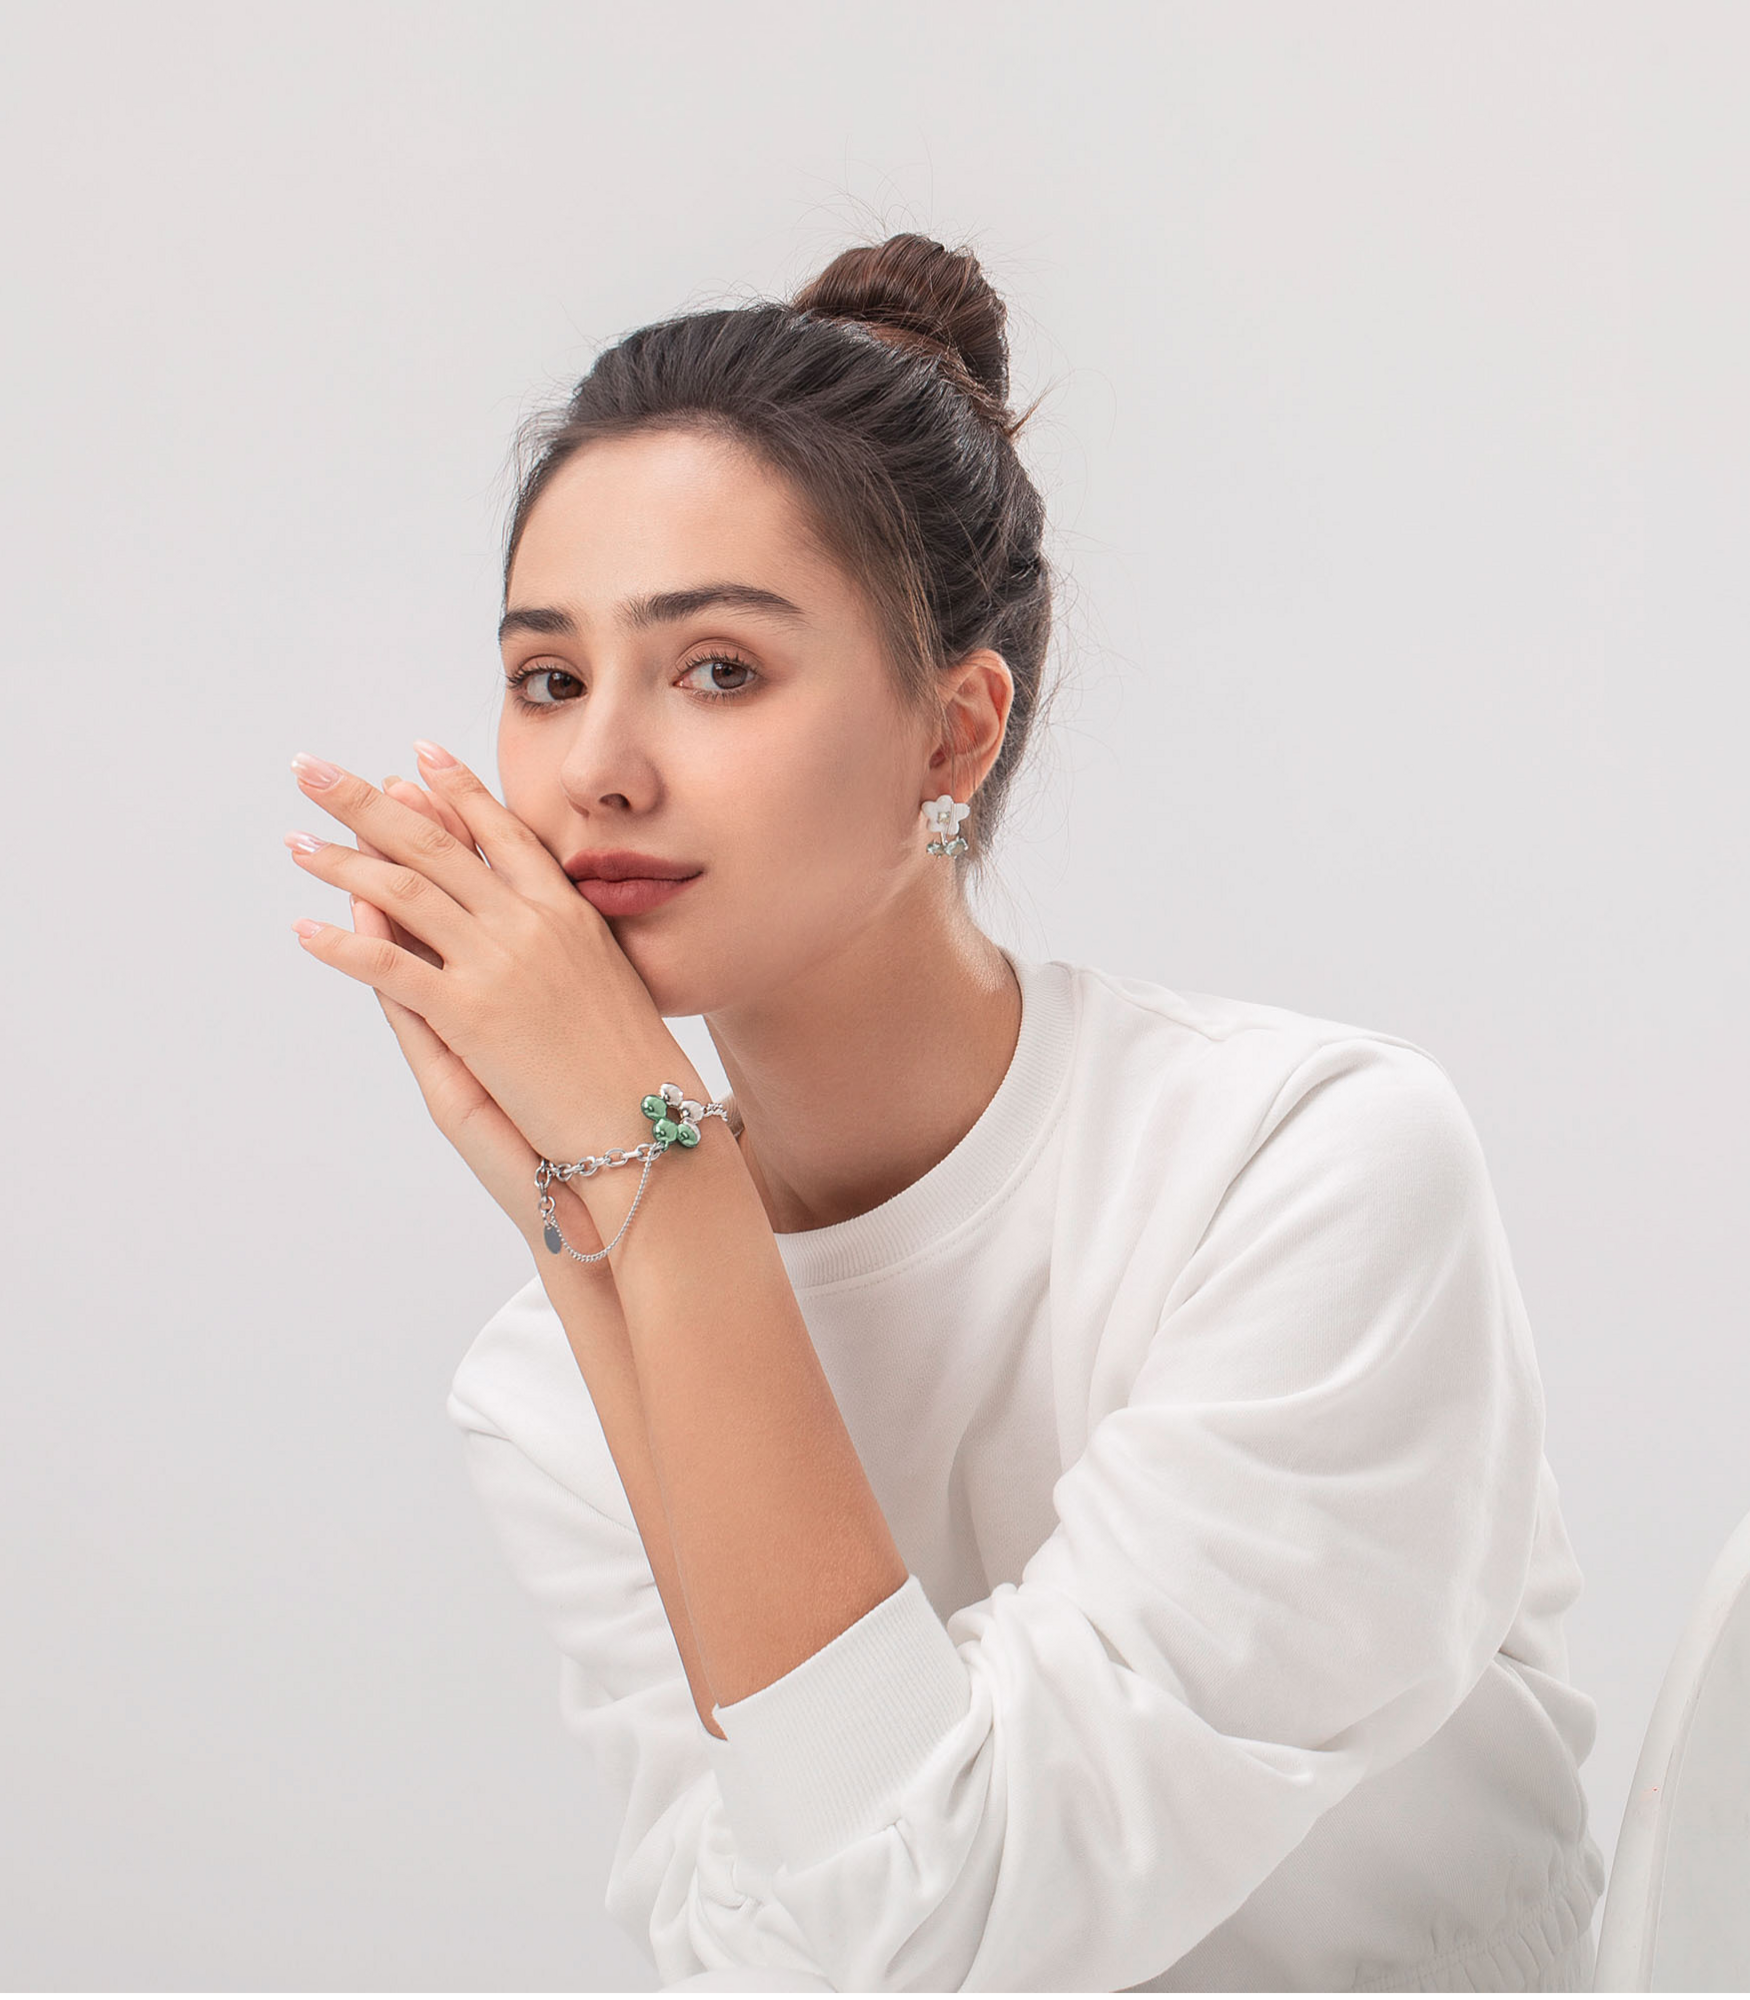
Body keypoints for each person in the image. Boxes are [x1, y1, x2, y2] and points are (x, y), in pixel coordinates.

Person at [283, 233, 1603, 1991]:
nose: (600, 759)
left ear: (952, 738)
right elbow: (779, 1964)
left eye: (720, 670)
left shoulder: (1305, 1170)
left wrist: (658, 1197)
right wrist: (614, 1246)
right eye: (547, 678)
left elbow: (948, 1921)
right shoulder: (540, 1388)